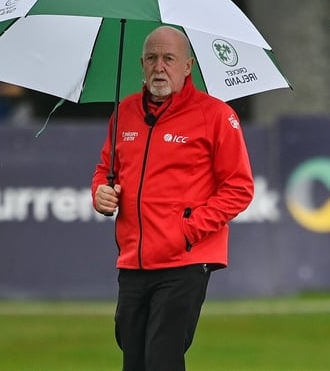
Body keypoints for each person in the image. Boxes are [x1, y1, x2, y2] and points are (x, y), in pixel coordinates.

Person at [92, 26, 254, 371]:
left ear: (187, 66)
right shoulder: (125, 111)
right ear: (141, 63)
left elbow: (239, 188)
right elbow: (105, 169)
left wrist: (187, 231)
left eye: (169, 58)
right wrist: (100, 193)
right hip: (133, 259)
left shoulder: (216, 114)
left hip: (185, 261)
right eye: (151, 58)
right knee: (133, 359)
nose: (159, 67)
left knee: (161, 359)